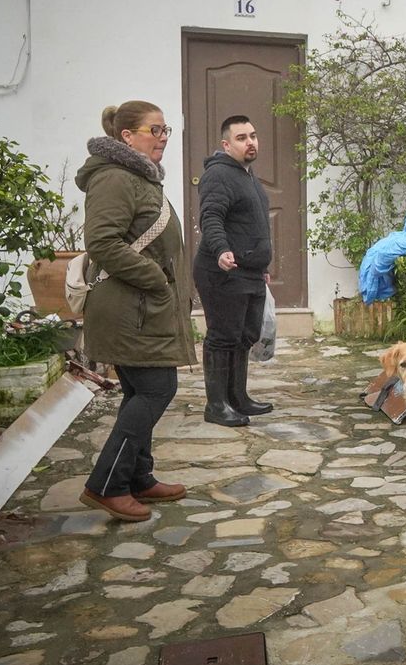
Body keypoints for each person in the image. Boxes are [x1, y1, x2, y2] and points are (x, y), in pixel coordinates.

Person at [76, 100, 197, 522]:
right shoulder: (114, 178)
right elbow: (102, 242)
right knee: (156, 389)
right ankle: (107, 485)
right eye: (154, 130)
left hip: (142, 307)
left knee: (140, 391)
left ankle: (138, 477)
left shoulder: (138, 177)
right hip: (131, 308)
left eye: (166, 130)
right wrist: (156, 278)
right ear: (127, 136)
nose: (162, 138)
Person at [193, 114, 274, 427]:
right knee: (223, 337)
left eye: (253, 135)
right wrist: (221, 250)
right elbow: (211, 216)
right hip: (222, 270)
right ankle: (217, 405)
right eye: (241, 138)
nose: (250, 142)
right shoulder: (218, 175)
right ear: (226, 145)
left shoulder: (248, 176)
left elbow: (252, 225)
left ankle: (237, 398)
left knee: (245, 336)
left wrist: (262, 266)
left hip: (250, 272)